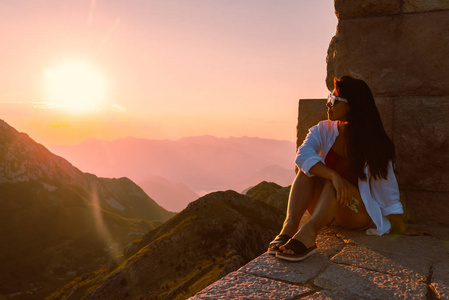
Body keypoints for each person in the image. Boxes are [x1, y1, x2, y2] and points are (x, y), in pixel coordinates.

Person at [269, 76, 431, 262]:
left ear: (352, 106)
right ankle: (288, 227)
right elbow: (302, 156)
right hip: (326, 209)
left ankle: (308, 233)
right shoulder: (322, 130)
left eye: (334, 100)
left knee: (333, 185)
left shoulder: (375, 144)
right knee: (306, 171)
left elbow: (387, 190)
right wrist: (333, 175)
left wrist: (400, 227)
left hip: (356, 211)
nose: (328, 105)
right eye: (329, 99)